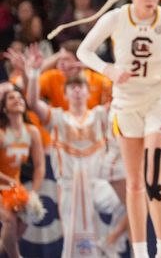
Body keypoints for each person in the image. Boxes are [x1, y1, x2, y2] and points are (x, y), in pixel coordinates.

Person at [53, 0, 161, 258]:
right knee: (135, 183)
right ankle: (139, 252)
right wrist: (108, 69)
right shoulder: (116, 18)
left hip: (158, 98)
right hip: (126, 102)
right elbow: (83, 51)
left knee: (152, 179)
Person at [24, 44, 109, 257]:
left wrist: (93, 65)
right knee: (73, 235)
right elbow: (33, 102)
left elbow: (120, 93)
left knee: (124, 206)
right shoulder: (58, 118)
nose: (78, 90)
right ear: (65, 92)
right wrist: (34, 73)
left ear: (89, 92)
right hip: (69, 185)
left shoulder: (99, 115)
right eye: (72, 88)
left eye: (81, 87)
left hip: (97, 184)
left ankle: (114, 243)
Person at [0, 84, 45, 258]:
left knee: (26, 219)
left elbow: (40, 165)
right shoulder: (2, 134)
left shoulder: (32, 132)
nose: (17, 100)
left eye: (20, 97)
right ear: (4, 108)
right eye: (11, 98)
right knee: (9, 220)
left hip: (14, 188)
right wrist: (9, 182)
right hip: (3, 186)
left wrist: (33, 192)